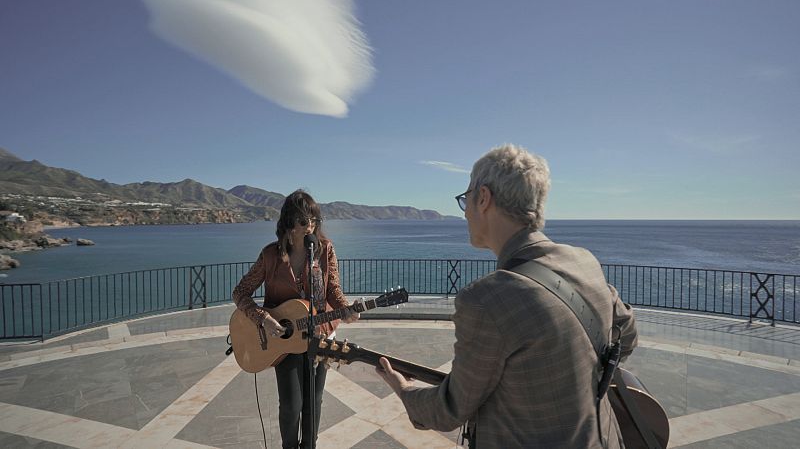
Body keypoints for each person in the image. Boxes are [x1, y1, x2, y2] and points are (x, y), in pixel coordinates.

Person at [377, 145, 638, 448]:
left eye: (467, 200)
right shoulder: (584, 261)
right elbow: (627, 335)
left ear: (484, 198)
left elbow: (450, 409)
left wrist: (404, 391)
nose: (466, 214)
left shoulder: (487, 299)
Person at [232, 189, 358, 449]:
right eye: (303, 220)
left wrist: (346, 308)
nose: (309, 225)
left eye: (313, 219)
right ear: (289, 222)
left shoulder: (324, 250)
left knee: (314, 401)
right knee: (291, 405)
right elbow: (240, 292)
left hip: (320, 333)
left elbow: (332, 288)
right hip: (283, 339)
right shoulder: (270, 256)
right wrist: (262, 318)